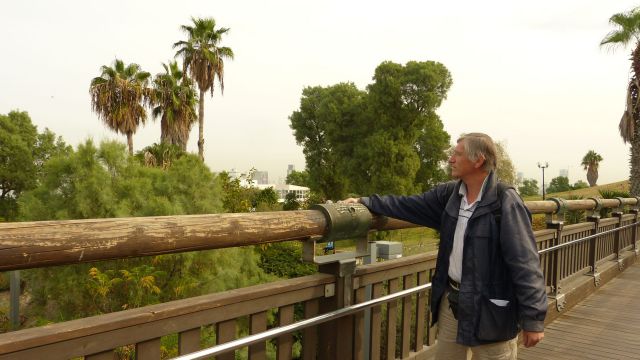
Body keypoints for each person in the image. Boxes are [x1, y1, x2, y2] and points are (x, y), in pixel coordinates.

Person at [343, 133, 546, 360]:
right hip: (453, 302)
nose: (451, 159)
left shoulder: (505, 201)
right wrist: (366, 202)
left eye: (457, 154)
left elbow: (525, 263)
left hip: (491, 309)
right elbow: (408, 204)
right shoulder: (449, 195)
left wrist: (533, 319)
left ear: (478, 160)